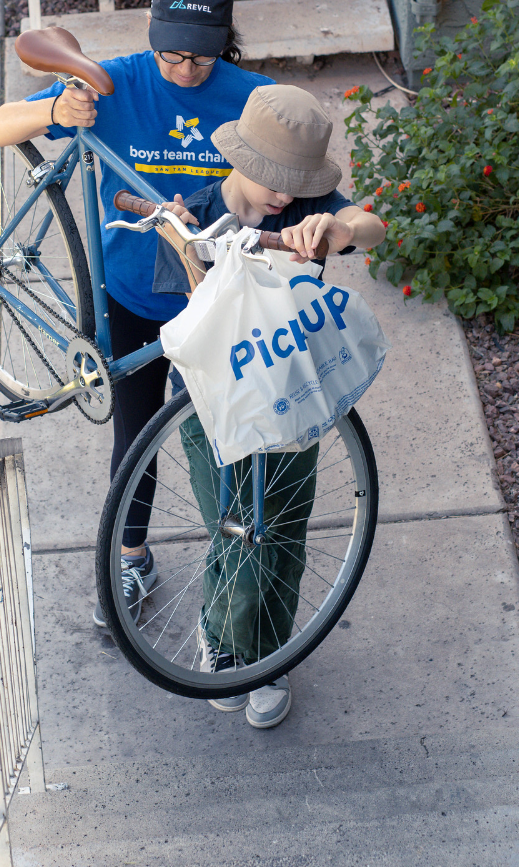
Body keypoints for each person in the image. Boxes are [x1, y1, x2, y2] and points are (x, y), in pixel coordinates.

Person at [0, 0, 272, 633]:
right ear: (151, 33)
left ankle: (233, 591)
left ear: (224, 40)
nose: (185, 69)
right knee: (134, 437)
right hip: (132, 294)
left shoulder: (254, 98)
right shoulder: (118, 82)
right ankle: (133, 557)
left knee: (225, 440)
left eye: (200, 56)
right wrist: (56, 109)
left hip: (213, 302)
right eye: (171, 53)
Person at [149, 83, 384, 729]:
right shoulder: (195, 215)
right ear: (238, 155)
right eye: (270, 178)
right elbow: (185, 326)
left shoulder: (307, 209)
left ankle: (270, 651)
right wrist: (190, 250)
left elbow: (371, 224)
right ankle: (224, 642)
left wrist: (335, 226)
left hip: (292, 396)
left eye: (295, 182)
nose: (282, 195)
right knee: (230, 525)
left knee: (280, 527)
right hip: (210, 404)